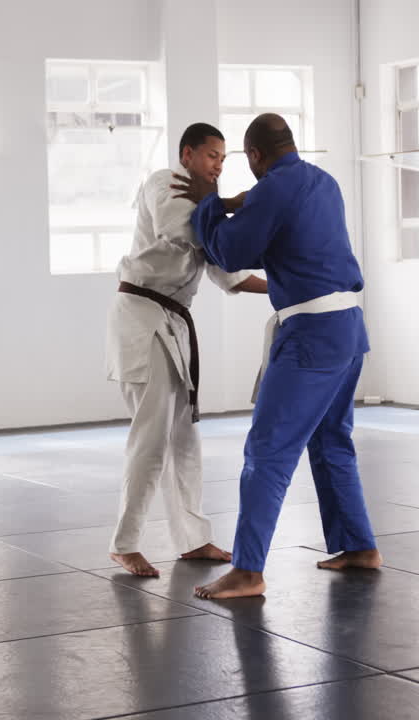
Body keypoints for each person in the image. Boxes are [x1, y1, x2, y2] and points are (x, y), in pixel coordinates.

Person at [173, 114, 380, 599]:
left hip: (312, 334)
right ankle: (359, 546)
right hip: (350, 329)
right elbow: (293, 242)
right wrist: (241, 205)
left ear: (255, 157)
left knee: (266, 451)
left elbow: (228, 250)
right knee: (331, 441)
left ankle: (248, 571)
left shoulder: (273, 189)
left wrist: (209, 207)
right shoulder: (325, 183)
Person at [106, 122, 268, 577]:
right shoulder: (166, 183)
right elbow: (181, 230)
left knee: (184, 438)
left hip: (173, 324)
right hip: (141, 317)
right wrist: (228, 205)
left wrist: (287, 288)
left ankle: (193, 539)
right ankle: (124, 542)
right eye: (212, 155)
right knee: (151, 435)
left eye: (224, 159)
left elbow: (226, 270)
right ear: (188, 154)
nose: (218, 165)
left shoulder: (205, 208)